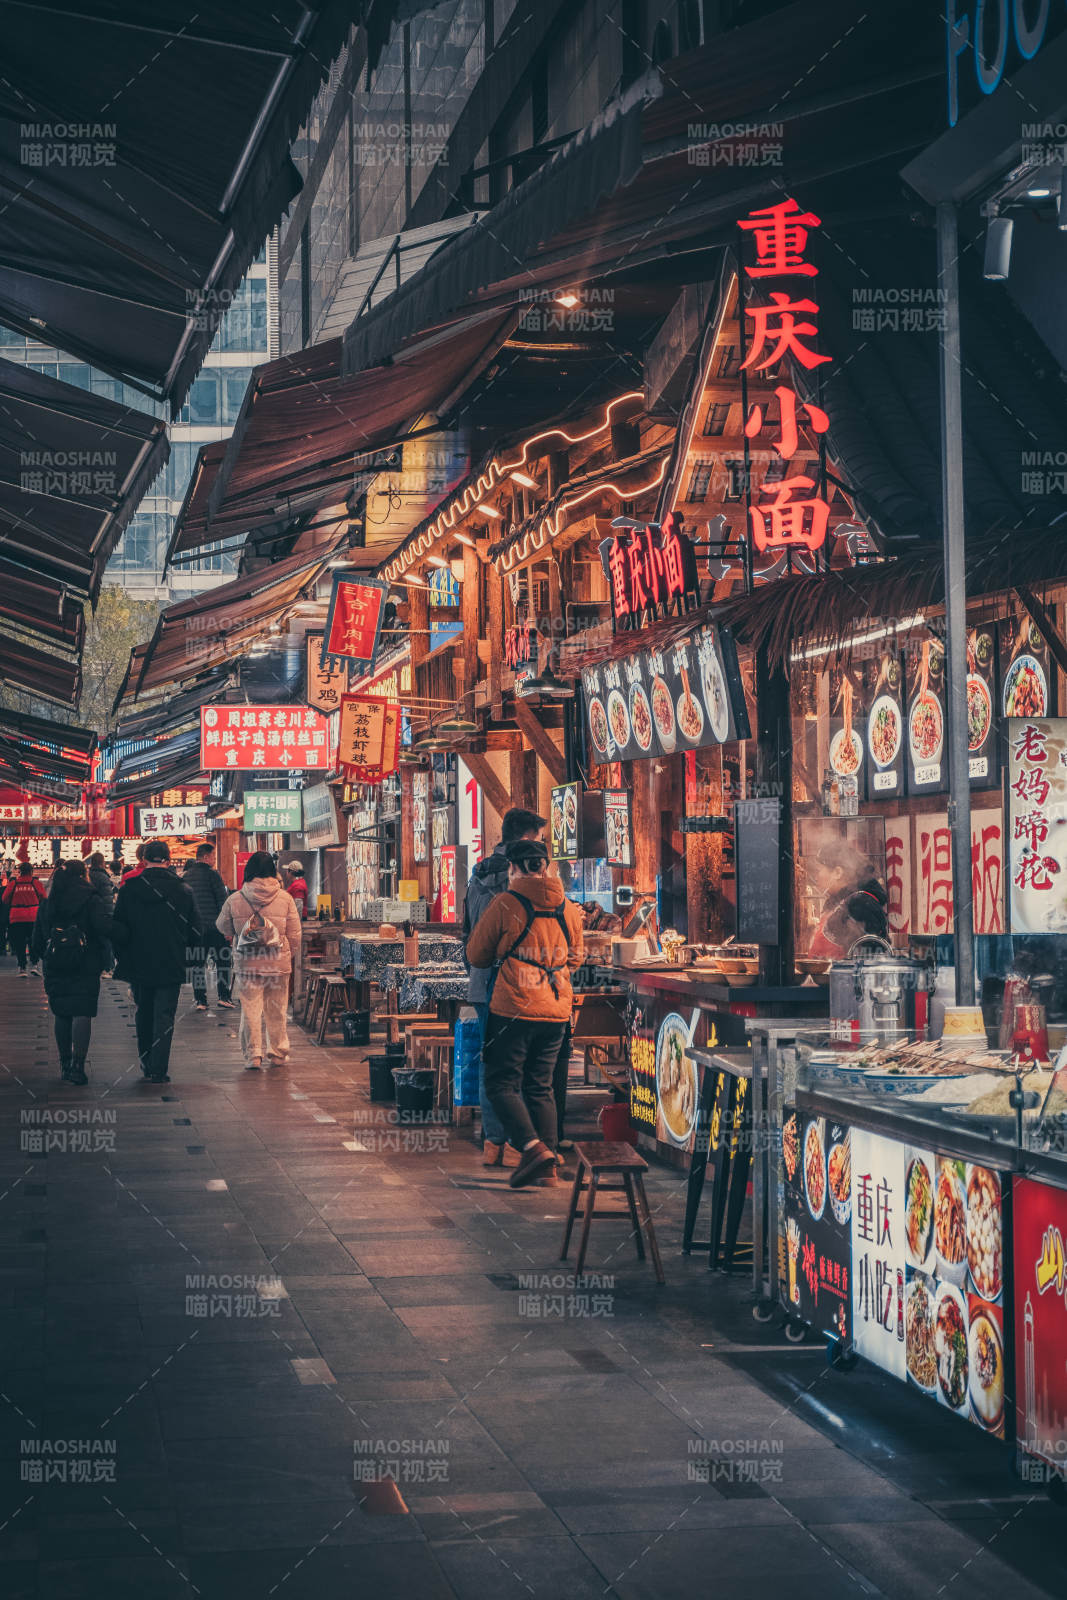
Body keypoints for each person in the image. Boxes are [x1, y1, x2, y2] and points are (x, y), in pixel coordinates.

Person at [466, 838, 583, 1188]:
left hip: (513, 1008)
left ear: (513, 869)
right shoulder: (568, 908)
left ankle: (532, 1149)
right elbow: (576, 958)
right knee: (540, 1086)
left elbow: (477, 955)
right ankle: (546, 1169)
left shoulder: (506, 903)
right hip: (556, 1009)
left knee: (500, 1083)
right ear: (544, 867)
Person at [462, 808, 546, 1167]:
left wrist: (479, 973)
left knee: (491, 1063)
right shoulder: (527, 880)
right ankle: (517, 1145)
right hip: (522, 985)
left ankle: (492, 1143)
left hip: (484, 985)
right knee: (524, 1067)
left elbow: (467, 934)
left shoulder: (478, 875)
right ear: (527, 839)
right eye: (539, 840)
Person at [111, 839, 200, 1083]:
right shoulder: (183, 890)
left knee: (144, 1011)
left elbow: (118, 928)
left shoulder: (130, 889)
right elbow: (195, 929)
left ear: (144, 860)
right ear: (168, 860)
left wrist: (122, 955)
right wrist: (191, 958)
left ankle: (146, 1061)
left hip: (138, 961)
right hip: (171, 960)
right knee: (165, 1015)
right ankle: (159, 1069)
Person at [217, 851, 301, 1071]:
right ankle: (278, 1053)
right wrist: (286, 955)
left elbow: (222, 927)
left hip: (247, 965)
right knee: (277, 1009)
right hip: (277, 965)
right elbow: (295, 934)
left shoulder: (236, 898)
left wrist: (239, 935)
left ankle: (253, 1055)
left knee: (251, 1009)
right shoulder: (285, 898)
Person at [31, 860, 112, 1084]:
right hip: (86, 961)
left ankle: (65, 1064)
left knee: (62, 1012)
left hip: (56, 963)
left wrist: (36, 955)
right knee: (82, 1011)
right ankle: (78, 1067)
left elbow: (40, 931)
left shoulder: (50, 900)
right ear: (84, 874)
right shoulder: (91, 899)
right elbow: (104, 929)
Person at [184, 842, 234, 1011]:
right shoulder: (213, 875)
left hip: (196, 929)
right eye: (213, 856)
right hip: (215, 927)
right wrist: (228, 929)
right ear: (205, 857)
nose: (214, 859)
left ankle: (200, 1000)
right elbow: (223, 902)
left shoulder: (186, 876)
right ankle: (224, 997)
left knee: (198, 965)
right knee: (223, 962)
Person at [3, 861, 45, 975]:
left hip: (16, 917)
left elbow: (5, 899)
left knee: (19, 943)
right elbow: (43, 897)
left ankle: (22, 968)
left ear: (19, 871)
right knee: (33, 941)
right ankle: (35, 965)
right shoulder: (36, 883)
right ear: (31, 871)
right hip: (33, 916)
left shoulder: (14, 883)